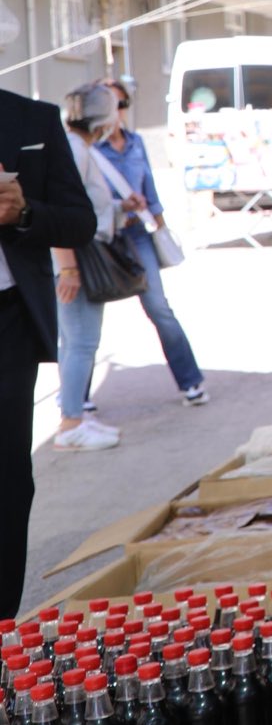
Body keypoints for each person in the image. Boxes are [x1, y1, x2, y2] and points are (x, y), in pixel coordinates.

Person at [0, 80, 95, 616]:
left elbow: (80, 221)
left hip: (8, 322)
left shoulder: (32, 119)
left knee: (8, 480)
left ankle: (2, 627)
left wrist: (25, 213)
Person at [95, 79, 207, 406]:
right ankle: (77, 400)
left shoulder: (136, 142)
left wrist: (161, 227)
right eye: (108, 104)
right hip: (101, 238)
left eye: (121, 104)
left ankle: (190, 382)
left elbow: (149, 187)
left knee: (159, 308)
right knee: (88, 321)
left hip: (137, 233)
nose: (116, 111)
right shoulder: (88, 149)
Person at [50, 85, 124, 451]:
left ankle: (74, 413)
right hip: (78, 259)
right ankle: (71, 424)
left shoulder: (75, 148)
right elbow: (60, 211)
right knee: (82, 342)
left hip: (75, 258)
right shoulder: (76, 151)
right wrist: (68, 268)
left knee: (73, 342)